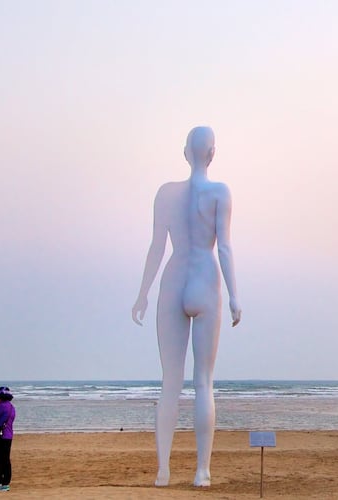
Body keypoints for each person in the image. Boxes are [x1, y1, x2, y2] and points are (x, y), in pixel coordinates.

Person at [132, 126, 242, 487]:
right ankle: (202, 471)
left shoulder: (165, 193)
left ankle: (163, 470)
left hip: (174, 279)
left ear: (185, 153)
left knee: (170, 383)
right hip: (205, 279)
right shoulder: (220, 192)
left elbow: (156, 248)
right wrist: (235, 295)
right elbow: (224, 247)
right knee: (203, 383)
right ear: (212, 154)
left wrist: (143, 293)